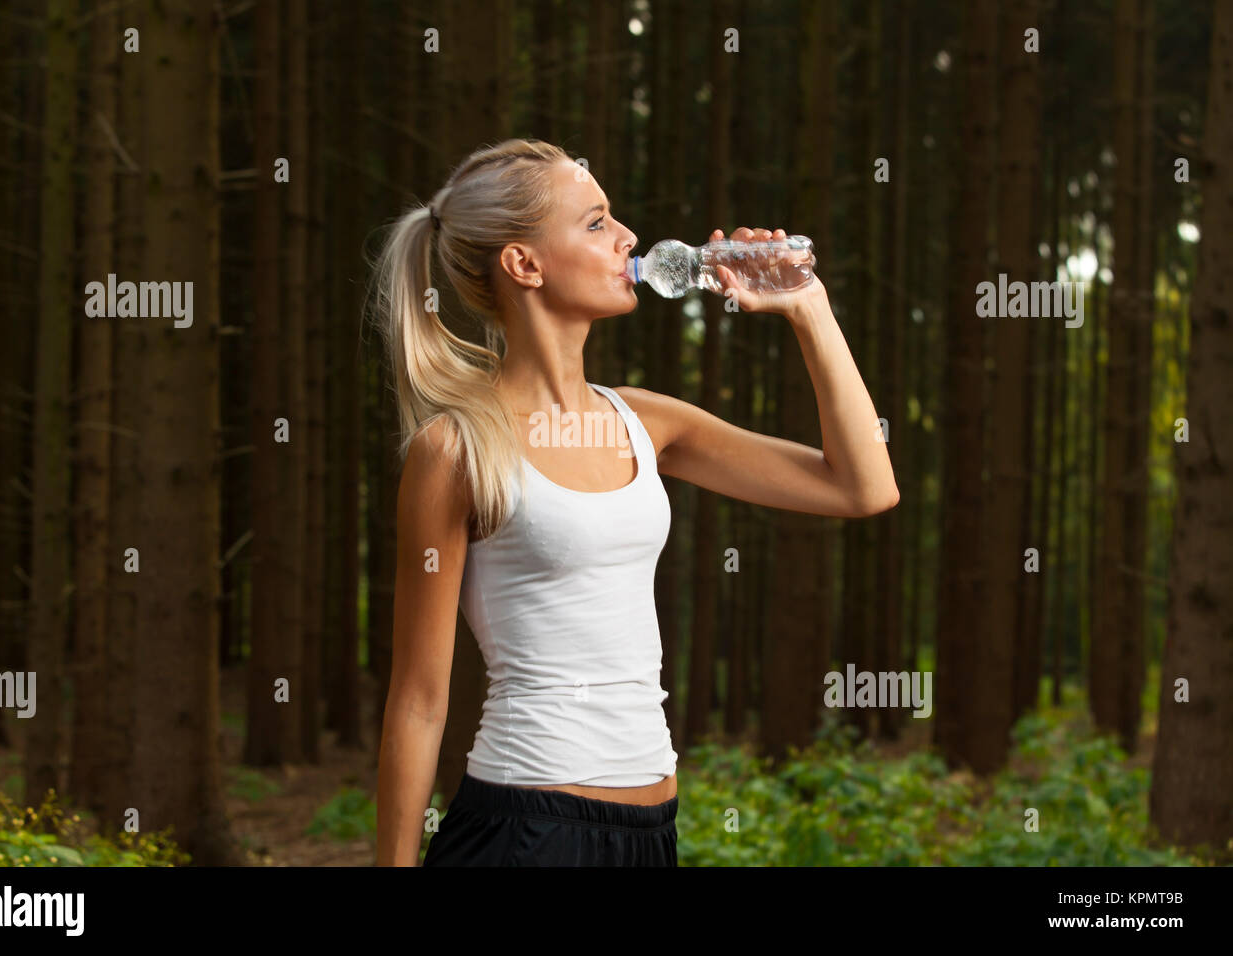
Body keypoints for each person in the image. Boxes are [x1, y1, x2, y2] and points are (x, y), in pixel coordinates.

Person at [369, 138, 898, 866]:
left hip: (652, 834)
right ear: (524, 264)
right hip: (526, 829)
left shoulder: (646, 422)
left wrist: (808, 309)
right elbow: (420, 700)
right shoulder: (457, 450)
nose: (627, 239)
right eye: (594, 223)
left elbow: (863, 487)